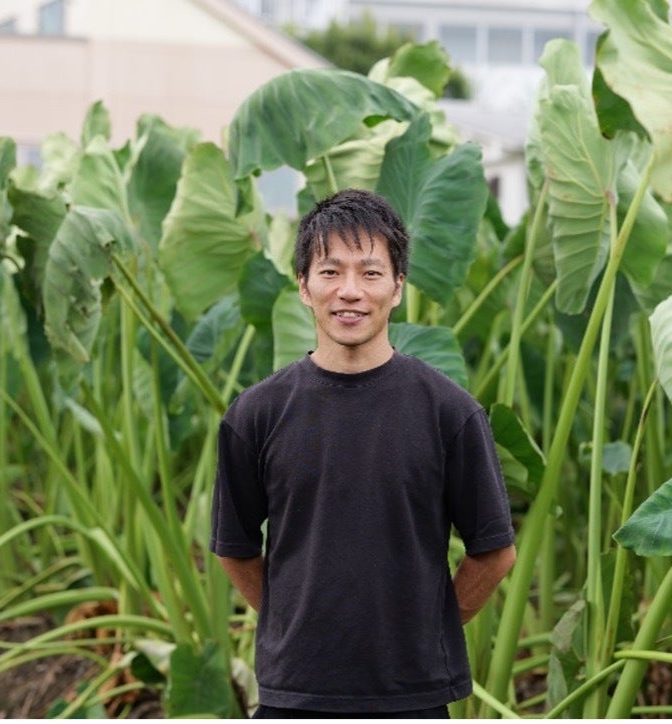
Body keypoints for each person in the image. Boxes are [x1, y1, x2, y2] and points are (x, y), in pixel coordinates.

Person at [210, 188, 517, 719]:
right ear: (304, 286)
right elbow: (234, 548)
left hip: (412, 697)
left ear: (398, 287)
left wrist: (430, 624)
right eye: (330, 272)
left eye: (370, 273)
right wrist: (295, 621)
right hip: (294, 694)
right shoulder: (256, 414)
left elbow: (493, 551)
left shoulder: (450, 412)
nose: (350, 291)